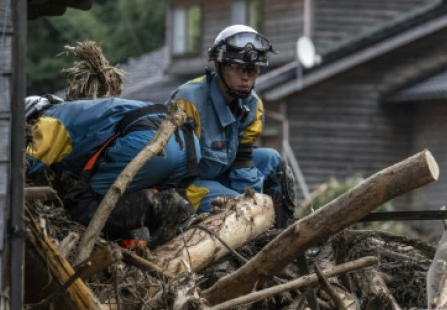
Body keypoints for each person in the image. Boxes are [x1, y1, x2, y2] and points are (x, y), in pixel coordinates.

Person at [25, 95, 199, 247]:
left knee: (83, 206)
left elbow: (24, 166)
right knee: (132, 205)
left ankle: (159, 205)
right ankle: (184, 228)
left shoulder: (49, 119)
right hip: (186, 141)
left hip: (148, 139)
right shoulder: (83, 113)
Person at [171, 25, 297, 224]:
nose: (246, 77)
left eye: (252, 70)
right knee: (239, 210)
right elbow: (174, 172)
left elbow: (243, 162)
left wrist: (251, 201)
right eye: (238, 68)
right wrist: (245, 207)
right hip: (187, 186)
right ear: (219, 65)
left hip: (223, 174)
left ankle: (277, 232)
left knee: (273, 160)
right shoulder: (189, 100)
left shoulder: (253, 104)